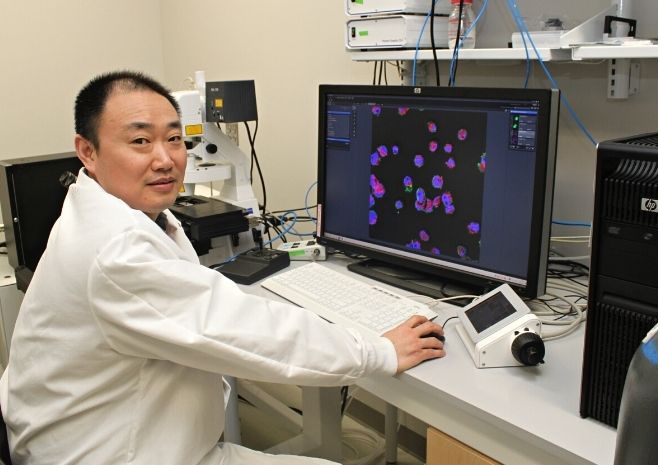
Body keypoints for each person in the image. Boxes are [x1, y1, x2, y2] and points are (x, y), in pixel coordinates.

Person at [0, 71, 445, 465]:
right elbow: (252, 333)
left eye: (174, 139)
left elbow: (206, 309)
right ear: (87, 151)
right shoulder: (114, 249)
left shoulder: (102, 210)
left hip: (103, 433)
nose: (164, 158)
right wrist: (378, 351)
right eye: (140, 141)